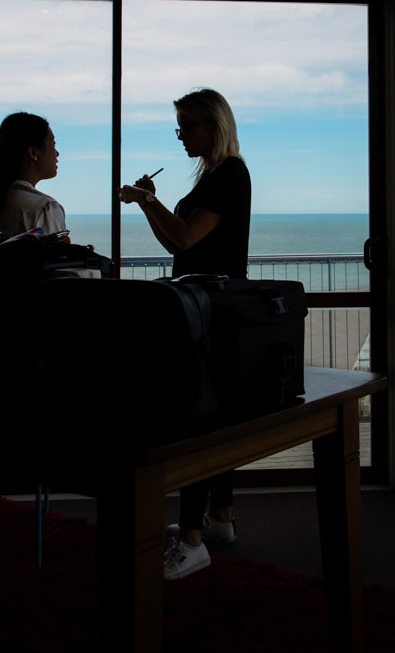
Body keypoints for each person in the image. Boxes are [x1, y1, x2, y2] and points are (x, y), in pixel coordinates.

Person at [118, 87, 251, 580]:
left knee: (198, 419)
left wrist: (148, 201)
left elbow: (185, 238)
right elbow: (180, 244)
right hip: (206, 305)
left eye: (186, 127)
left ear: (212, 126)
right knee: (213, 417)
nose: (180, 137)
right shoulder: (216, 175)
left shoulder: (230, 173)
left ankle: (192, 540)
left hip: (210, 311)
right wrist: (151, 205)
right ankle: (219, 518)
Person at [0, 112, 66, 239]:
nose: (57, 153)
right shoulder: (44, 208)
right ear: (33, 152)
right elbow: (54, 258)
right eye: (53, 144)